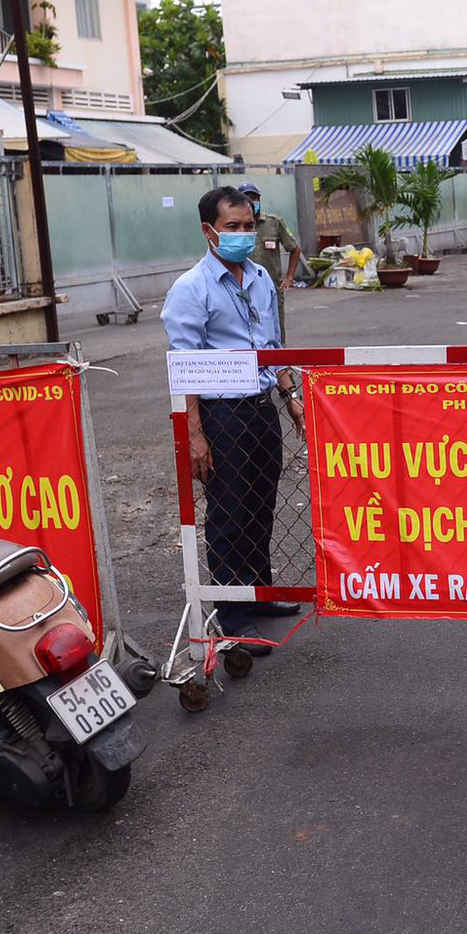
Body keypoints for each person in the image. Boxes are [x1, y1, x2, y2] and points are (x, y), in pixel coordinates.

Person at [162, 185, 305, 651]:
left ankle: (258, 589)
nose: (244, 234)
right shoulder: (191, 290)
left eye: (248, 226)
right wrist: (196, 434)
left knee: (262, 503)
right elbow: (184, 371)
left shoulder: (260, 278)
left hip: (262, 409)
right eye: (233, 228)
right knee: (229, 512)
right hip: (221, 415)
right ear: (209, 232)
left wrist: (291, 398)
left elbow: (272, 346)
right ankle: (233, 613)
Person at [235, 179, 307, 341]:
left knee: (276, 331)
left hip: (271, 287)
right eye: (246, 199)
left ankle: (279, 362)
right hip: (242, 288)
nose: (252, 202)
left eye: (254, 198)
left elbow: (294, 248)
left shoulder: (273, 223)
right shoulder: (234, 227)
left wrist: (289, 277)